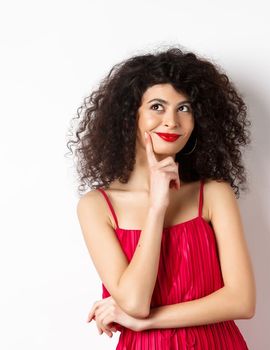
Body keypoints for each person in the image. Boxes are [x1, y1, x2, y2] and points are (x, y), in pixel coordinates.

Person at [67, 46, 255, 349]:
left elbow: (242, 301)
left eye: (184, 108)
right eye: (157, 106)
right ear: (131, 116)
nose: (172, 121)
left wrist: (147, 321)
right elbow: (134, 302)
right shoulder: (97, 206)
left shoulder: (213, 194)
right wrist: (157, 207)